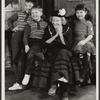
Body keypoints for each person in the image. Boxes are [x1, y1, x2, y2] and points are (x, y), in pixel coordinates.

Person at [42, 8, 73, 100]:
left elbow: (68, 46)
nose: (55, 22)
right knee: (58, 57)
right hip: (52, 52)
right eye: (53, 20)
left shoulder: (68, 29)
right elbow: (44, 44)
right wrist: (55, 35)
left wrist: (60, 35)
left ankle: (54, 84)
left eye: (58, 20)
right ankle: (64, 92)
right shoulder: (48, 29)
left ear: (62, 20)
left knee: (62, 53)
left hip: (65, 52)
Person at [8, 0, 37, 90]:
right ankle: (17, 80)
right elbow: (10, 20)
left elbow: (43, 20)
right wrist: (13, 28)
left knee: (24, 56)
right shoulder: (19, 13)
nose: (28, 7)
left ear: (33, 7)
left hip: (28, 37)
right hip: (17, 35)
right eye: (26, 5)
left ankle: (26, 77)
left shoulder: (35, 15)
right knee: (15, 56)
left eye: (30, 6)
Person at [21, 5, 48, 86]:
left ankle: (27, 74)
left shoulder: (45, 24)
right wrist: (26, 45)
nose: (34, 15)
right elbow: (25, 36)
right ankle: (39, 55)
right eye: (32, 13)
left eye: (36, 12)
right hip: (31, 42)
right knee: (31, 52)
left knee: (30, 54)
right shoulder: (29, 24)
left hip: (41, 42)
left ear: (41, 13)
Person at [71, 4, 96, 84]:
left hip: (85, 40)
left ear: (85, 12)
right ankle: (84, 75)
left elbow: (90, 35)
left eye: (81, 12)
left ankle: (84, 74)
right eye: (77, 12)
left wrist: (84, 41)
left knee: (87, 52)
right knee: (80, 52)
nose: (79, 14)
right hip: (76, 40)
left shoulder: (88, 22)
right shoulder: (74, 21)